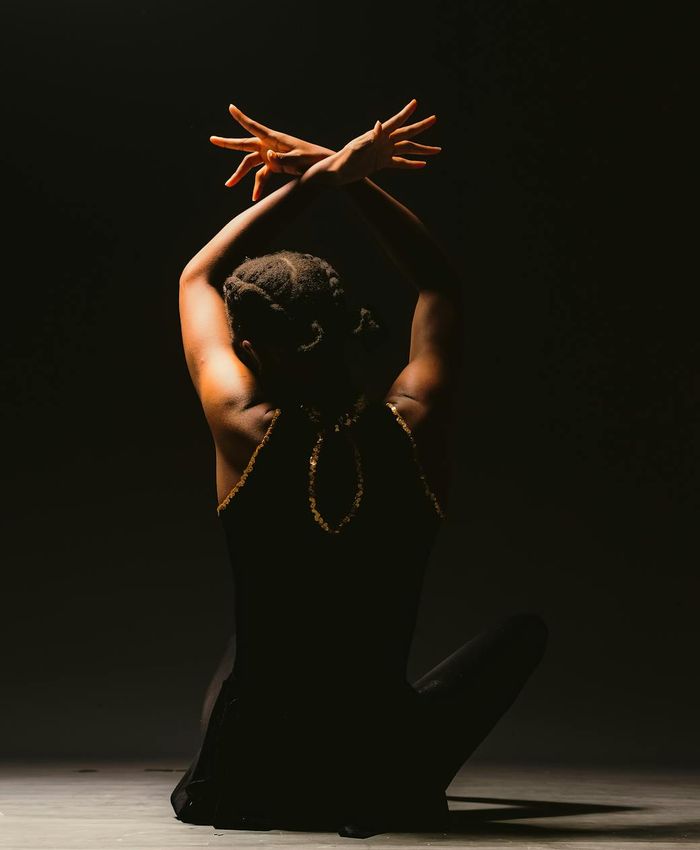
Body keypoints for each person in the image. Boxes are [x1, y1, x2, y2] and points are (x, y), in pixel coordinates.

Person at [170, 97, 548, 838]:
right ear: (349, 325)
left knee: (258, 641)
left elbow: (196, 279)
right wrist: (346, 174)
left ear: (249, 351)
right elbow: (440, 284)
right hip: (378, 768)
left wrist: (320, 178)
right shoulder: (417, 420)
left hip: (244, 774)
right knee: (523, 634)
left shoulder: (242, 425)